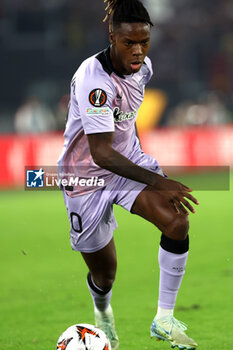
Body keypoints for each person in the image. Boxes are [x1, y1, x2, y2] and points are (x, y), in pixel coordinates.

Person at [57, 0, 199, 349]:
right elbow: (101, 153)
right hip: (85, 178)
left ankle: (164, 320)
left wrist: (144, 165)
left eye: (144, 42)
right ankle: (103, 315)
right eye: (129, 43)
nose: (138, 51)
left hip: (127, 165)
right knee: (104, 274)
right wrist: (159, 180)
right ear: (111, 37)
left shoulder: (143, 68)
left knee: (177, 223)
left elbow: (126, 120)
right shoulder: (94, 80)